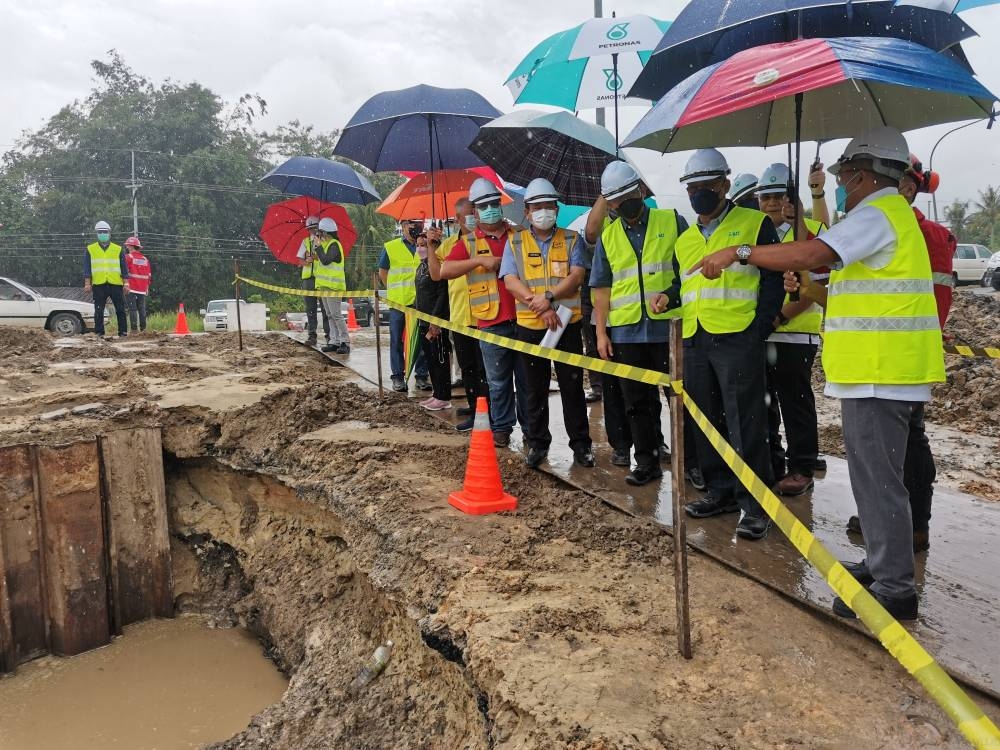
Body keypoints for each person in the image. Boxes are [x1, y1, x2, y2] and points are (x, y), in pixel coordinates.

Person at [696, 126, 945, 618]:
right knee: (875, 477)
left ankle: (894, 590)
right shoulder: (884, 218)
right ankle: (881, 562)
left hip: (883, 370)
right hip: (876, 369)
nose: (843, 185)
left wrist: (739, 252)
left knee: (879, 480)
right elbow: (841, 290)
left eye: (846, 176)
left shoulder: (879, 212)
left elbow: (812, 253)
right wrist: (808, 290)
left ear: (863, 173)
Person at [843, 153, 955, 552]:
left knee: (904, 448)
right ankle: (890, 525)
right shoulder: (886, 224)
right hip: (894, 353)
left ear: (909, 187)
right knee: (894, 451)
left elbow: (935, 300)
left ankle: (912, 526)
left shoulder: (919, 232)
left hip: (902, 356)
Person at [674, 149, 784, 540]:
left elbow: (773, 278)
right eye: (693, 186)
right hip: (696, 339)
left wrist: (760, 328)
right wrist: (665, 298)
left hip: (739, 338)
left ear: (725, 184)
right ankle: (720, 491)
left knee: (746, 424)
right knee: (707, 422)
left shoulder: (753, 224)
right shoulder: (685, 239)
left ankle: (756, 504)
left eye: (707, 184)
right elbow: (683, 285)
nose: (699, 192)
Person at [591, 161, 686, 486]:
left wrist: (671, 295)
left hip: (669, 329)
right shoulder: (608, 236)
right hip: (627, 332)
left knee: (681, 401)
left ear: (641, 190)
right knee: (637, 403)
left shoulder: (672, 221)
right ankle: (646, 462)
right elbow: (601, 288)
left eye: (628, 195)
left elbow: (690, 271)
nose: (623, 204)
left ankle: (692, 464)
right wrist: (601, 332)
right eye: (615, 201)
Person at [500, 177, 594, 469]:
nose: (544, 212)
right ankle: (538, 443)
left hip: (567, 324)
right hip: (530, 324)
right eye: (537, 207)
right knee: (533, 388)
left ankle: (581, 446)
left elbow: (577, 275)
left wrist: (550, 297)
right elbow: (510, 280)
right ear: (527, 212)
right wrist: (539, 305)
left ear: (556, 208)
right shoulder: (515, 240)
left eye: (549, 206)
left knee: (572, 386)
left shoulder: (571, 239)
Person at [756, 162, 828, 497]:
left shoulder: (809, 230)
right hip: (765, 332)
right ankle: (774, 461)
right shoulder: (757, 233)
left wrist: (779, 317)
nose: (771, 203)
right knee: (767, 401)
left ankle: (802, 466)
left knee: (795, 401)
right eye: (765, 197)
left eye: (777, 196)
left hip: (795, 333)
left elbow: (813, 285)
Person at [441, 178, 526, 448]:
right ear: (475, 212)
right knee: (498, 382)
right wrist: (479, 261)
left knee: (527, 382)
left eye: (494, 203)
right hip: (491, 321)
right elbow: (444, 271)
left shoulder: (519, 236)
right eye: (483, 206)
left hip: (525, 318)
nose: (490, 209)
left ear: (500, 206)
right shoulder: (467, 243)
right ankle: (501, 428)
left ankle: (531, 430)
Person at [428, 198, 489, 431]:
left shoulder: (486, 241)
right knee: (469, 368)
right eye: (467, 215)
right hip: (461, 317)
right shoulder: (451, 244)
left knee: (485, 370)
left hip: (485, 317)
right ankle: (475, 410)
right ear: (457, 219)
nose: (473, 218)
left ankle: (486, 413)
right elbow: (436, 275)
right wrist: (432, 246)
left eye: (475, 213)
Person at [380, 219, 430, 392]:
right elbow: (383, 272)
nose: (415, 227)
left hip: (421, 302)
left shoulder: (425, 246)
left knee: (421, 339)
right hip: (398, 303)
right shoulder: (390, 247)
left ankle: (422, 376)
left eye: (418, 223)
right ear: (402, 226)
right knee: (396, 341)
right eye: (411, 223)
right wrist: (394, 292)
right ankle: (398, 377)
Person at [414, 232, 452, 410]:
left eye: (424, 245)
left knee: (440, 359)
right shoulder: (421, 267)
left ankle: (444, 396)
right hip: (422, 320)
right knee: (430, 359)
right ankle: (437, 393)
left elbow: (442, 295)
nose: (421, 248)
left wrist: (436, 320)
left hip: (436, 321)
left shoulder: (438, 267)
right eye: (418, 245)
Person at [83, 220, 129, 339]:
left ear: (109, 233)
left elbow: (124, 267)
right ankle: (99, 332)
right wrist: (87, 283)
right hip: (99, 284)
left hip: (115, 283)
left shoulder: (118, 249)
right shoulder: (90, 249)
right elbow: (87, 267)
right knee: (98, 310)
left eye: (105, 232)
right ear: (97, 234)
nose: (103, 234)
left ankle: (123, 332)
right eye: (100, 232)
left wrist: (126, 283)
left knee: (120, 309)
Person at [313, 217, 350, 355]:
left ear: (326, 232)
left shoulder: (334, 245)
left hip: (334, 286)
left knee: (336, 314)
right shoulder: (326, 244)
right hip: (324, 286)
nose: (319, 235)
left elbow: (326, 260)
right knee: (329, 314)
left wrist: (318, 247)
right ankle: (334, 341)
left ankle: (345, 342)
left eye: (320, 232)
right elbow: (322, 262)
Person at [297, 216, 331, 347]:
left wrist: (316, 256)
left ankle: (329, 337)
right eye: (310, 229)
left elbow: (327, 259)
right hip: (308, 281)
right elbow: (299, 261)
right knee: (310, 309)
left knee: (325, 309)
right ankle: (312, 336)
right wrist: (306, 261)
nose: (312, 231)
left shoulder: (324, 241)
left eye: (315, 228)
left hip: (321, 279)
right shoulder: (305, 242)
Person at [124, 236, 151, 333]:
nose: (127, 247)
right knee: (142, 308)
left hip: (131, 287)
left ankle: (134, 330)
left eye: (127, 246)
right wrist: (147, 287)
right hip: (142, 288)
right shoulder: (145, 259)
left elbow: (124, 272)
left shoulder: (128, 258)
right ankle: (143, 329)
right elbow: (148, 275)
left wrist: (125, 284)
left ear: (131, 246)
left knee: (133, 309)